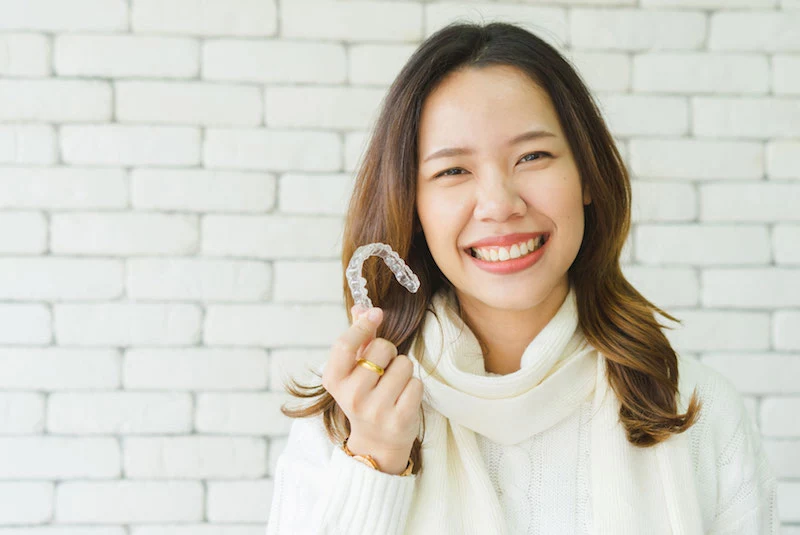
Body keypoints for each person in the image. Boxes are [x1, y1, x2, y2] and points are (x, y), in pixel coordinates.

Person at [265, 21, 779, 535]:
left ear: (587, 177)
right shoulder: (341, 423)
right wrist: (374, 464)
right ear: (413, 206)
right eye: (452, 171)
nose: (500, 206)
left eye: (532, 156)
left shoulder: (700, 413)